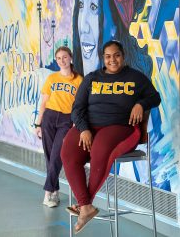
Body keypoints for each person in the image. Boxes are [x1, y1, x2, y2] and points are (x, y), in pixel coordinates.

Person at [61, 41, 161, 233]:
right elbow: (77, 109)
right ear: (103, 58)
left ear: (123, 56)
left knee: (100, 149)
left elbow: (155, 97)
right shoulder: (91, 78)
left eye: (116, 55)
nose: (112, 59)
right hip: (90, 127)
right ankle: (86, 207)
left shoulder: (135, 77)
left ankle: (83, 205)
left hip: (122, 127)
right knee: (67, 153)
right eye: (108, 56)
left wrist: (140, 103)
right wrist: (83, 129)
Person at [35, 46, 82, 207]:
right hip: (49, 117)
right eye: (59, 58)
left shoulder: (79, 80)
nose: (62, 61)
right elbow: (43, 103)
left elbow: (79, 105)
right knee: (49, 155)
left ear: (70, 58)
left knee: (57, 155)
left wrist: (76, 122)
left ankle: (48, 193)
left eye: (65, 57)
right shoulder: (52, 78)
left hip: (66, 120)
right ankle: (54, 191)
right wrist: (38, 123)